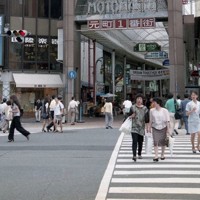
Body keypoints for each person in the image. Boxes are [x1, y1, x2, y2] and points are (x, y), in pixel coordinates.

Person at [148, 97, 170, 162]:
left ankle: (162, 154)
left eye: (154, 102)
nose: (153, 103)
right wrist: (149, 127)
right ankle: (156, 155)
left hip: (163, 127)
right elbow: (151, 120)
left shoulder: (165, 110)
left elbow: (167, 120)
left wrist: (168, 129)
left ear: (158, 103)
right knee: (155, 141)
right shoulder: (152, 110)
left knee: (163, 142)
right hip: (155, 127)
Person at [129, 94, 148, 162]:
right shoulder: (132, 107)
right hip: (134, 127)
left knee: (140, 141)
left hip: (141, 127)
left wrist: (148, 127)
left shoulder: (145, 108)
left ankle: (139, 154)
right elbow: (127, 117)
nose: (139, 100)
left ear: (142, 100)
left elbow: (147, 119)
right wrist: (131, 116)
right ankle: (134, 155)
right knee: (134, 141)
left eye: (140, 99)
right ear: (136, 100)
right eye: (138, 98)